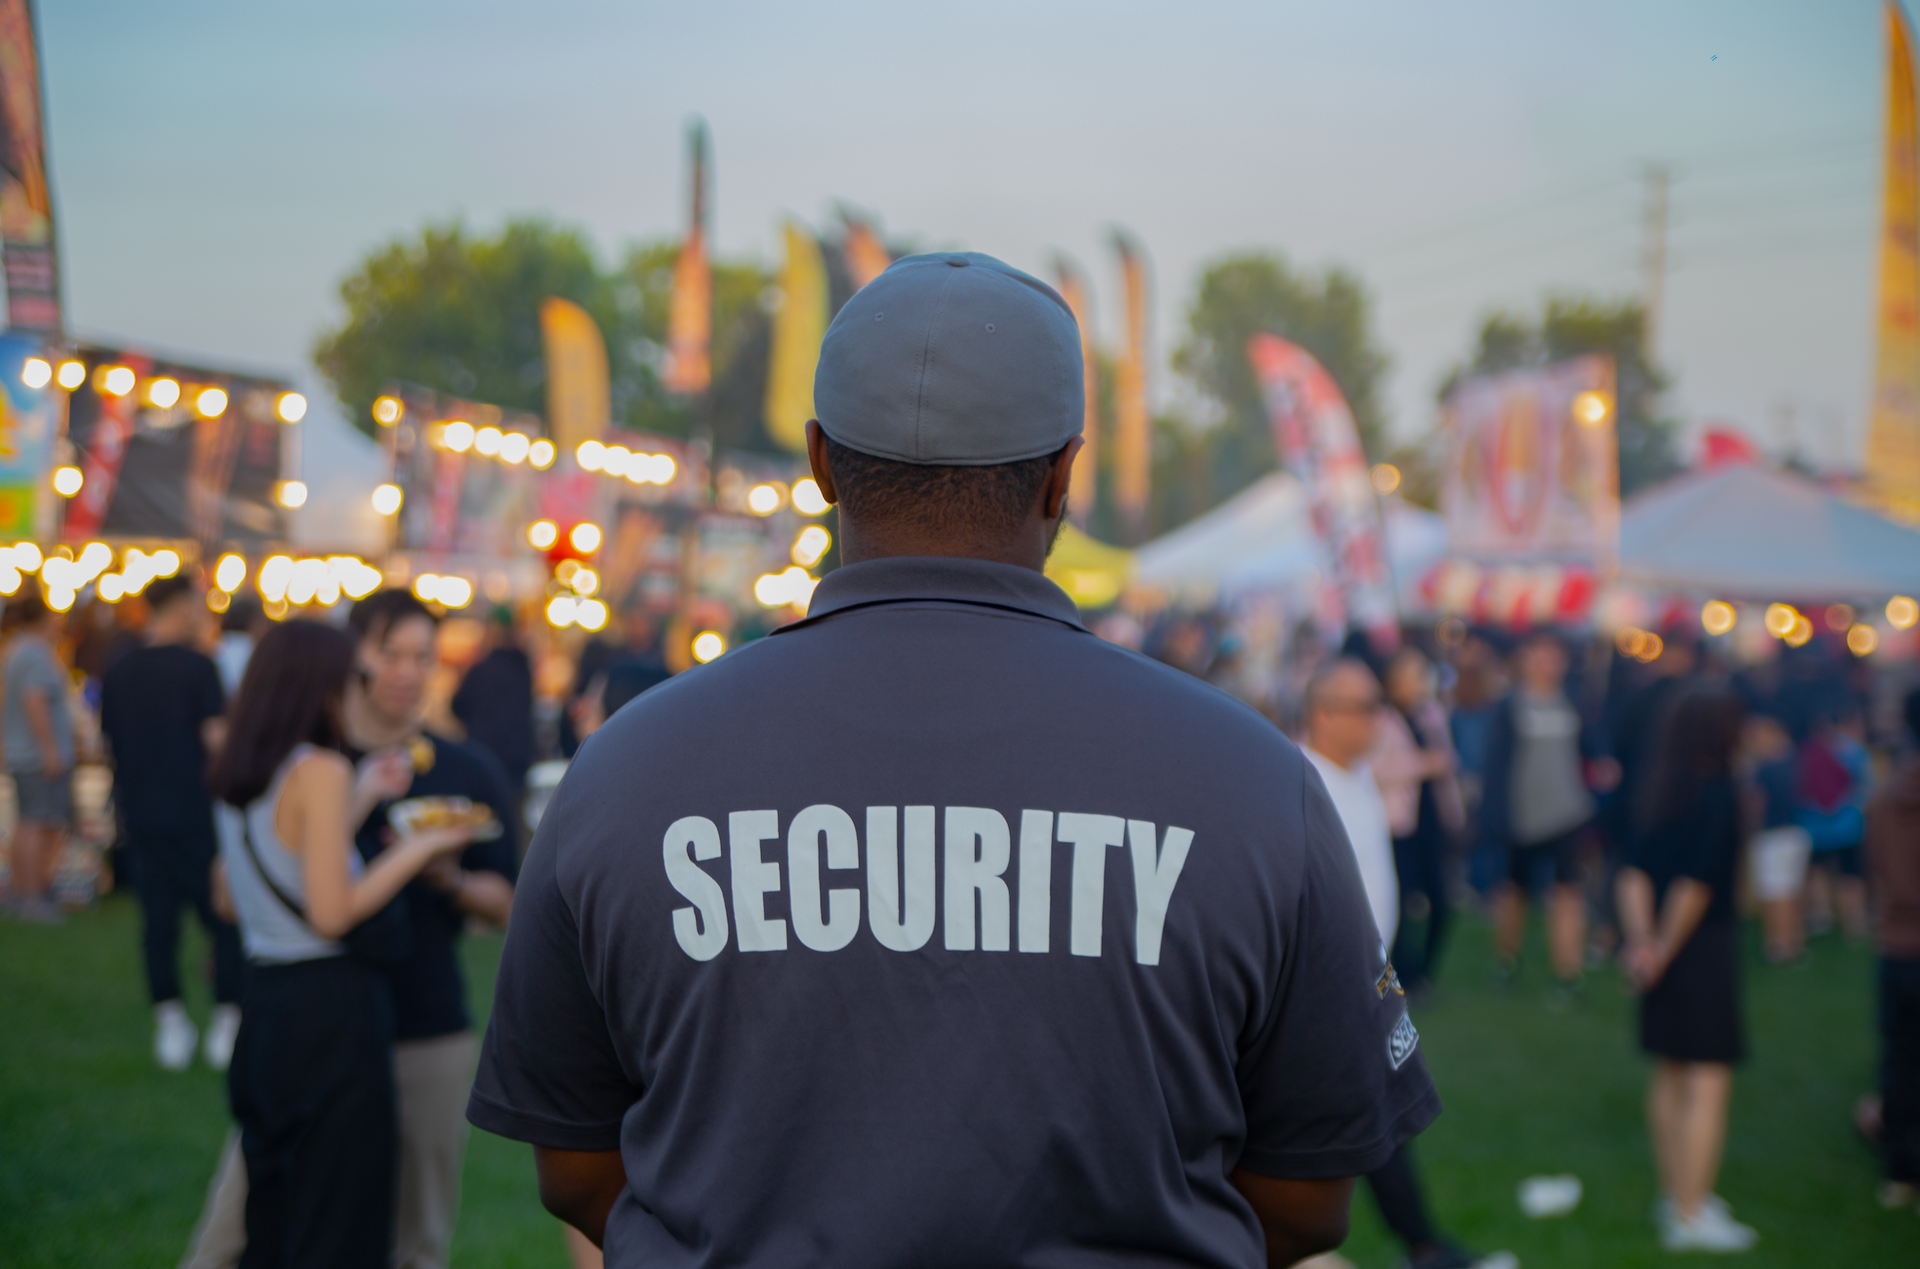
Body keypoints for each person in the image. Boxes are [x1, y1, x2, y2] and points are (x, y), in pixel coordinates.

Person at [469, 252, 1438, 1267]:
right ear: (1064, 473)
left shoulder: (624, 769)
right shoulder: (1250, 776)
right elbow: (1311, 1194)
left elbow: (578, 1168)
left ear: (820, 465)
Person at [182, 590, 519, 1269]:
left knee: (409, 1242)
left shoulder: (463, 767)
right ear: (352, 657)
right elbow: (234, 889)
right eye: (389, 652)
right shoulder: (316, 760)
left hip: (422, 1023)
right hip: (321, 1025)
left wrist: (448, 876)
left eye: (423, 656)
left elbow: (510, 902)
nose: (406, 670)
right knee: (245, 1225)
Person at [1302, 659, 1497, 1269]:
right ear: (1324, 714)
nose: (1380, 718)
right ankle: (1417, 1245)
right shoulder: (1300, 782)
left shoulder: (1357, 773)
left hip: (1367, 981)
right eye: (1366, 707)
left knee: (1372, 1116)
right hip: (1324, 989)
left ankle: (1420, 1243)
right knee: (1361, 1117)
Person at [1617, 689, 1757, 1253]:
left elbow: (1633, 871)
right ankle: (1691, 1213)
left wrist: (1642, 943)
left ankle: (1678, 1193)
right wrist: (1662, 947)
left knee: (1672, 1072)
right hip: (1699, 947)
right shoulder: (1720, 795)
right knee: (1706, 1080)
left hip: (1660, 940)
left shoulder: (1655, 789)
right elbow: (1696, 884)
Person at [99, 575, 244, 1071]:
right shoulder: (199, 666)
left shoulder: (118, 668)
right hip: (194, 814)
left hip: (138, 813)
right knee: (223, 919)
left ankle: (171, 1023)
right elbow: (218, 743)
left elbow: (107, 741)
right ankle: (226, 1021)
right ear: (181, 607)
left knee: (157, 926)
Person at [1481, 630, 1615, 997]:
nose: (1546, 663)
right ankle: (1506, 960)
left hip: (1568, 814)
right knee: (1515, 892)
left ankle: (1568, 974)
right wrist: (1495, 819)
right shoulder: (1510, 705)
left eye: (1553, 656)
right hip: (1521, 818)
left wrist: (1602, 763)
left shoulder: (1572, 699)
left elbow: (1592, 741)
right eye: (1539, 655)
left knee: (1568, 892)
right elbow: (1495, 766)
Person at [1372, 646, 1465, 997]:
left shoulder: (1431, 714)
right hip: (1397, 826)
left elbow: (1447, 762)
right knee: (1401, 902)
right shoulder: (1380, 719)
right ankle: (1398, 974)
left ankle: (1423, 972)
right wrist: (1424, 763)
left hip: (1431, 821)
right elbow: (1375, 769)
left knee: (1441, 900)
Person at [1865, 687, 1920, 1208]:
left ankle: (1900, 1171)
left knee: (1900, 1058)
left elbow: (1875, 869)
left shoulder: (1884, 798)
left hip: (1896, 946)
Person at [4, 590, 74, 924]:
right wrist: (50, 750)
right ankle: (33, 897)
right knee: (40, 821)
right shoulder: (33, 654)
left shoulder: (16, 651)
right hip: (36, 754)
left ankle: (21, 891)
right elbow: (35, 702)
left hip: (23, 752)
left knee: (28, 822)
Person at [1798, 705, 1872, 942]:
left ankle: (1821, 915)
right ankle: (1855, 921)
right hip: (1849, 825)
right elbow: (1867, 787)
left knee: (1817, 871)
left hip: (1813, 825)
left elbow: (1798, 789)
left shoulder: (1805, 752)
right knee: (1851, 874)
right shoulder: (1853, 751)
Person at [451, 606, 536, 802]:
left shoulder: (481, 670)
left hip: (484, 754)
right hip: (518, 759)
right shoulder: (523, 668)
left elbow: (457, 705)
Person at [1745, 714, 1810, 965]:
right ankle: (1795, 943)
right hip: (1796, 833)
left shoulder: (1765, 768)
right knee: (1792, 891)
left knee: (1775, 892)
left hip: (1772, 836)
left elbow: (1755, 804)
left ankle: (1778, 946)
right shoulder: (1795, 761)